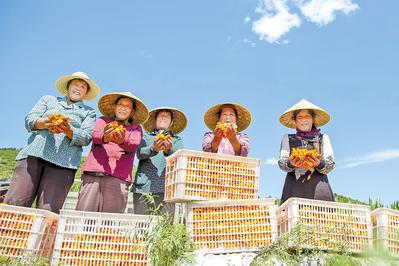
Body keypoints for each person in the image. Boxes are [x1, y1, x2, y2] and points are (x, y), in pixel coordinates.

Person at [5, 71, 99, 213]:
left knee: (48, 210)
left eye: (83, 86)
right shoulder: (48, 99)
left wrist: (68, 130)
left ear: (85, 92)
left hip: (63, 164)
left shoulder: (88, 112)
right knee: (16, 203)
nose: (78, 88)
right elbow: (30, 120)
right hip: (33, 155)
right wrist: (46, 123)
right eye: (75, 84)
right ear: (67, 87)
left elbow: (86, 137)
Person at [76, 92, 149, 213]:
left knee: (109, 222)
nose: (123, 108)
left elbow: (133, 144)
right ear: (115, 106)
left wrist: (122, 139)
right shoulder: (103, 121)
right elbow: (95, 136)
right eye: (120, 104)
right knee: (84, 214)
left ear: (132, 112)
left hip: (118, 178)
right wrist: (106, 136)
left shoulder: (136, 128)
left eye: (127, 106)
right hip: (93, 173)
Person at [278, 99, 335, 204]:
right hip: (294, 191)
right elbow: (282, 163)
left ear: (313, 120)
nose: (304, 119)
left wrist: (319, 163)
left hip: (319, 191)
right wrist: (291, 163)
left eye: (307, 116)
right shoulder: (288, 138)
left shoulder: (323, 138)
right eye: (300, 117)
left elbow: (331, 163)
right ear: (295, 121)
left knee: (321, 218)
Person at [132, 107, 187, 215]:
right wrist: (153, 149)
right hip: (143, 188)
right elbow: (139, 153)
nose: (163, 117)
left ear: (171, 123)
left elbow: (180, 158)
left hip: (167, 189)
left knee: (164, 226)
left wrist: (168, 151)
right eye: (160, 116)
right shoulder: (146, 136)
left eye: (167, 116)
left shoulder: (176, 139)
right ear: (155, 120)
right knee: (141, 226)